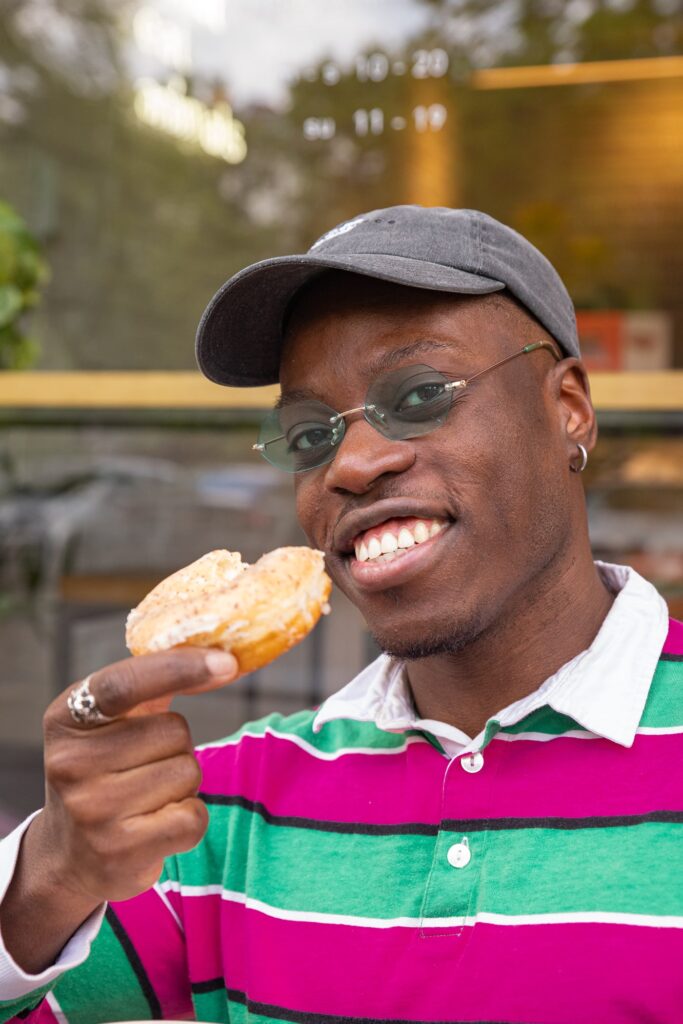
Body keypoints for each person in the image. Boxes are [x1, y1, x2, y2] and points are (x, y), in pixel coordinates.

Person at [0, 206, 681, 1024]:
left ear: (566, 407)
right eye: (308, 435)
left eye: (420, 394)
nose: (350, 465)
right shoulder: (217, 817)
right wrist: (54, 874)